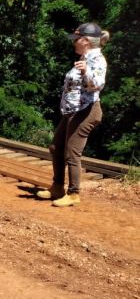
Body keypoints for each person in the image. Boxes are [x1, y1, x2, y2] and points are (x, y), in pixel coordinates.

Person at [37, 22, 109, 207]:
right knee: (56, 147)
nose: (73, 42)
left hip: (86, 111)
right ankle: (57, 187)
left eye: (76, 39)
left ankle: (74, 193)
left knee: (72, 152)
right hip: (72, 112)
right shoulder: (85, 57)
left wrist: (86, 72)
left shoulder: (96, 59)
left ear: (85, 40)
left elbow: (98, 84)